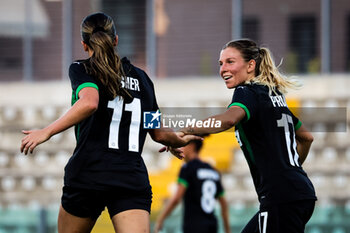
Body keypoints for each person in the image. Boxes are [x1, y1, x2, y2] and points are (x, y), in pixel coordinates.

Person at [20, 12, 201, 233]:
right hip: (129, 177)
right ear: (115, 40)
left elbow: (90, 102)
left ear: (84, 45)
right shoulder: (143, 79)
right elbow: (159, 133)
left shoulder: (82, 68)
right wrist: (176, 140)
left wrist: (46, 132)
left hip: (88, 174)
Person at [173, 39, 317, 233]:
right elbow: (307, 137)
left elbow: (229, 120)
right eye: (220, 63)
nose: (223, 69)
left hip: (280, 197)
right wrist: (290, 170)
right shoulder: (272, 95)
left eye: (230, 62)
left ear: (251, 65)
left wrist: (186, 130)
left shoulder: (246, 92)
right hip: (299, 192)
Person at [154, 139, 231, 233]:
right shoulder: (213, 171)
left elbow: (176, 198)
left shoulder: (188, 168)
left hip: (194, 225)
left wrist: (160, 219)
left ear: (192, 145)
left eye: (183, 145)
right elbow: (223, 204)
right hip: (212, 226)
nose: (181, 148)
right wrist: (227, 230)